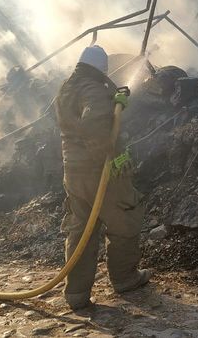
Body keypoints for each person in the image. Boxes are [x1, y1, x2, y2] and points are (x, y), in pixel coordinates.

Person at [55, 45, 150, 309]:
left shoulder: (67, 87)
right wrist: (111, 159)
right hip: (99, 172)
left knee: (81, 229)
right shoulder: (93, 89)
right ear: (102, 69)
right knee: (125, 218)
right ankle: (125, 279)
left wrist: (114, 102)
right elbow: (94, 124)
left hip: (73, 172)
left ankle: (76, 293)